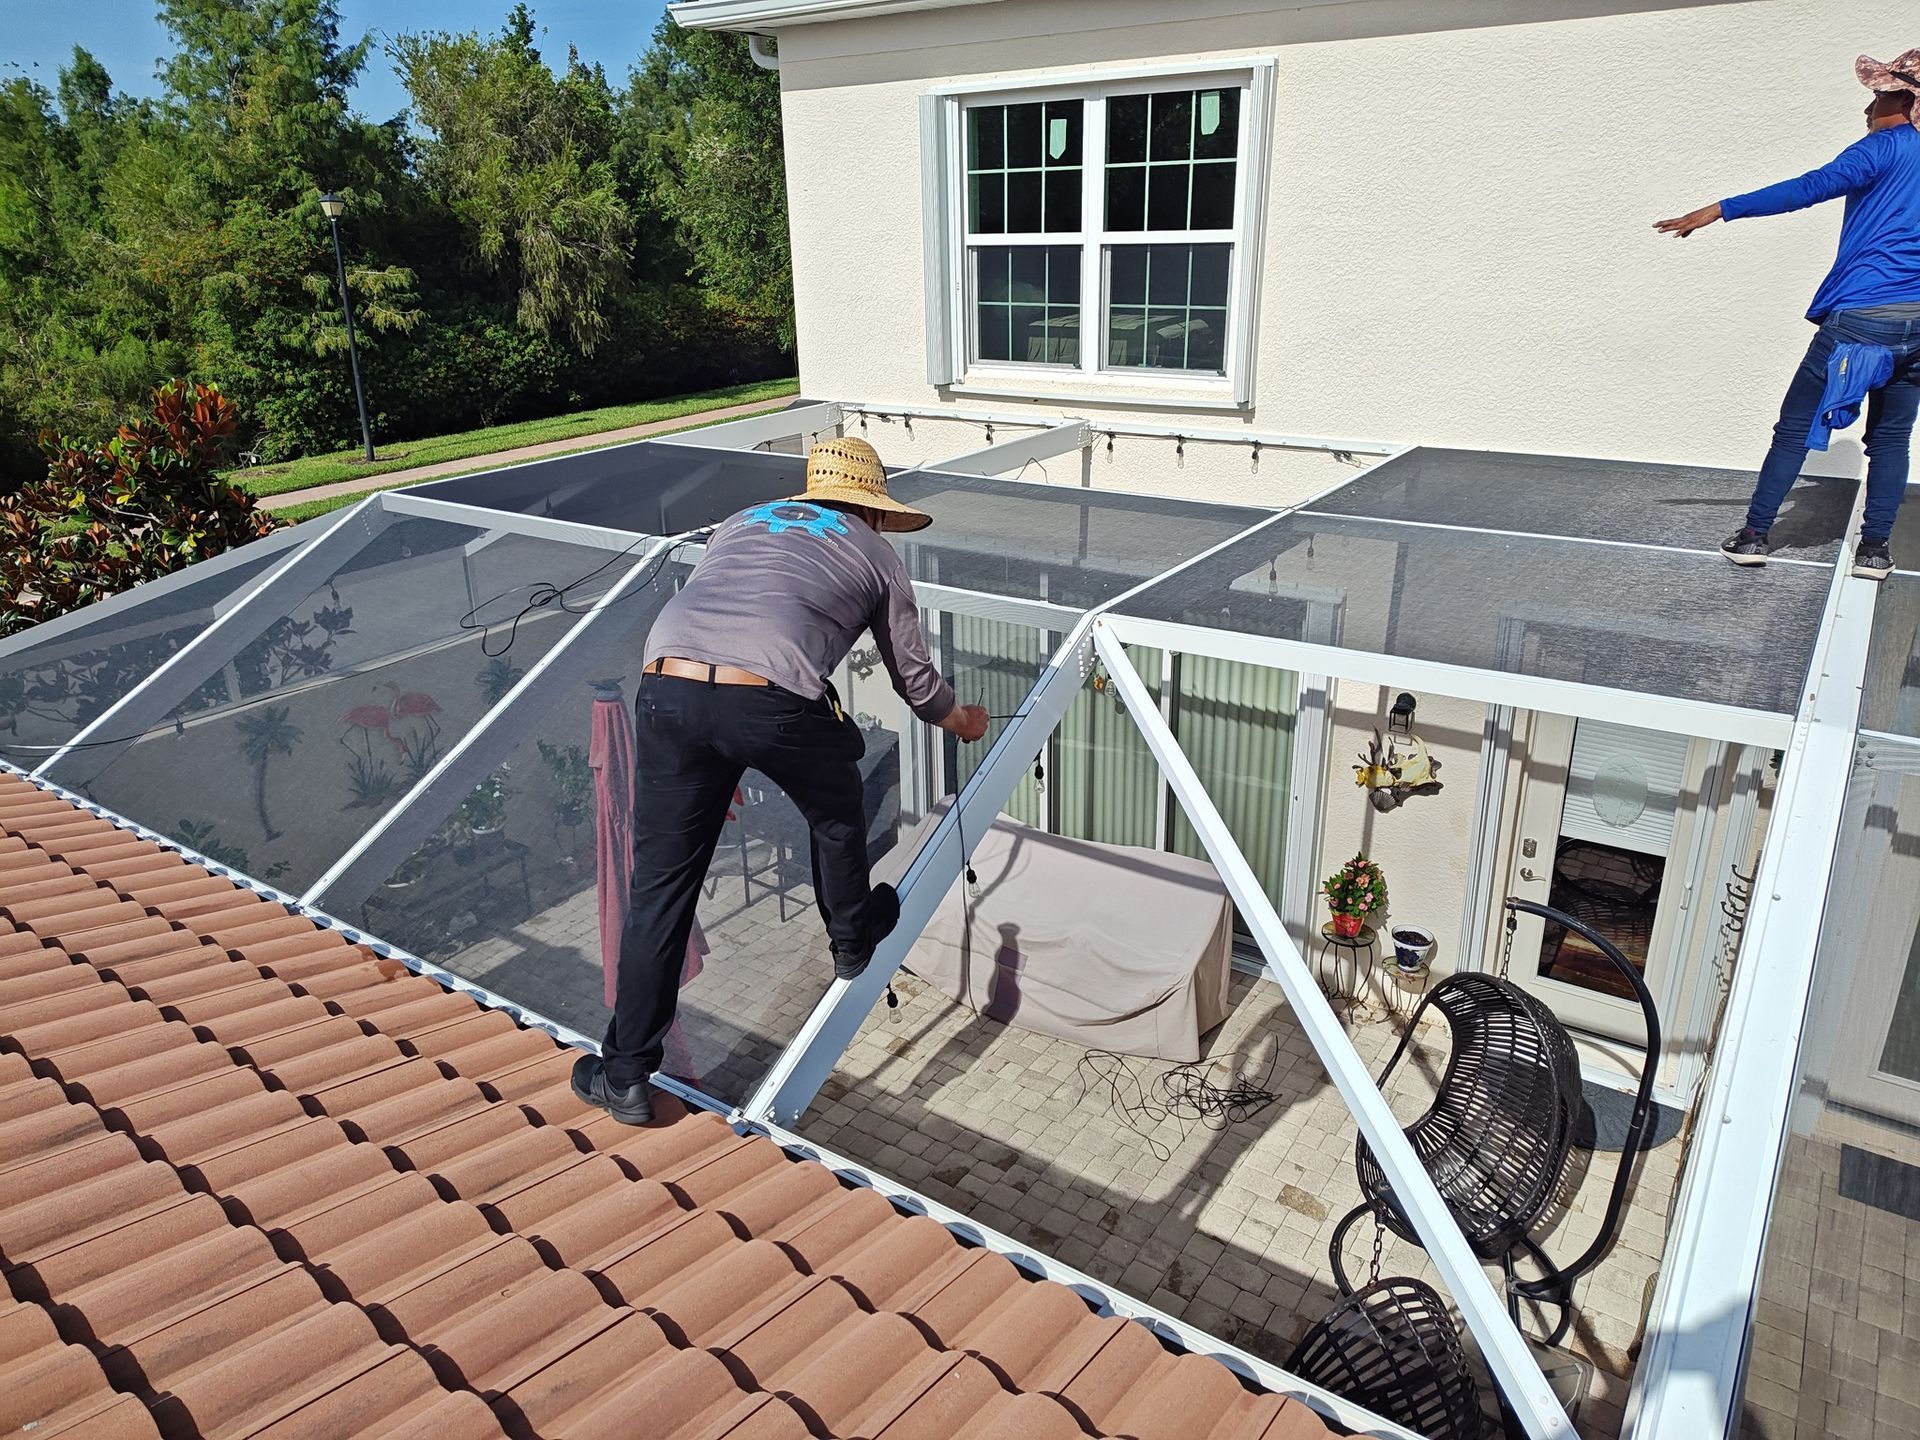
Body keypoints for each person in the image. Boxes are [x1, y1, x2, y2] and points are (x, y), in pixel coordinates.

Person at [571, 436, 991, 1124]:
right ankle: (852, 937)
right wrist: (962, 722)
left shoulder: (742, 521)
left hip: (667, 686)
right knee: (838, 803)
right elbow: (914, 682)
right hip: (769, 696)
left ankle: (624, 1074)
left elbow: (729, 602)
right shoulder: (878, 555)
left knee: (661, 889)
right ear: (876, 511)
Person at [1656, 50, 1920, 580]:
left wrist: (1718, 209)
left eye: (1878, 95)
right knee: (1891, 440)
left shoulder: (1884, 149)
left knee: (1793, 429)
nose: (1868, 108)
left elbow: (1808, 188)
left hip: (1862, 317)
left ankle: (1754, 535)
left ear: (1904, 100)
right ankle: (1873, 550)